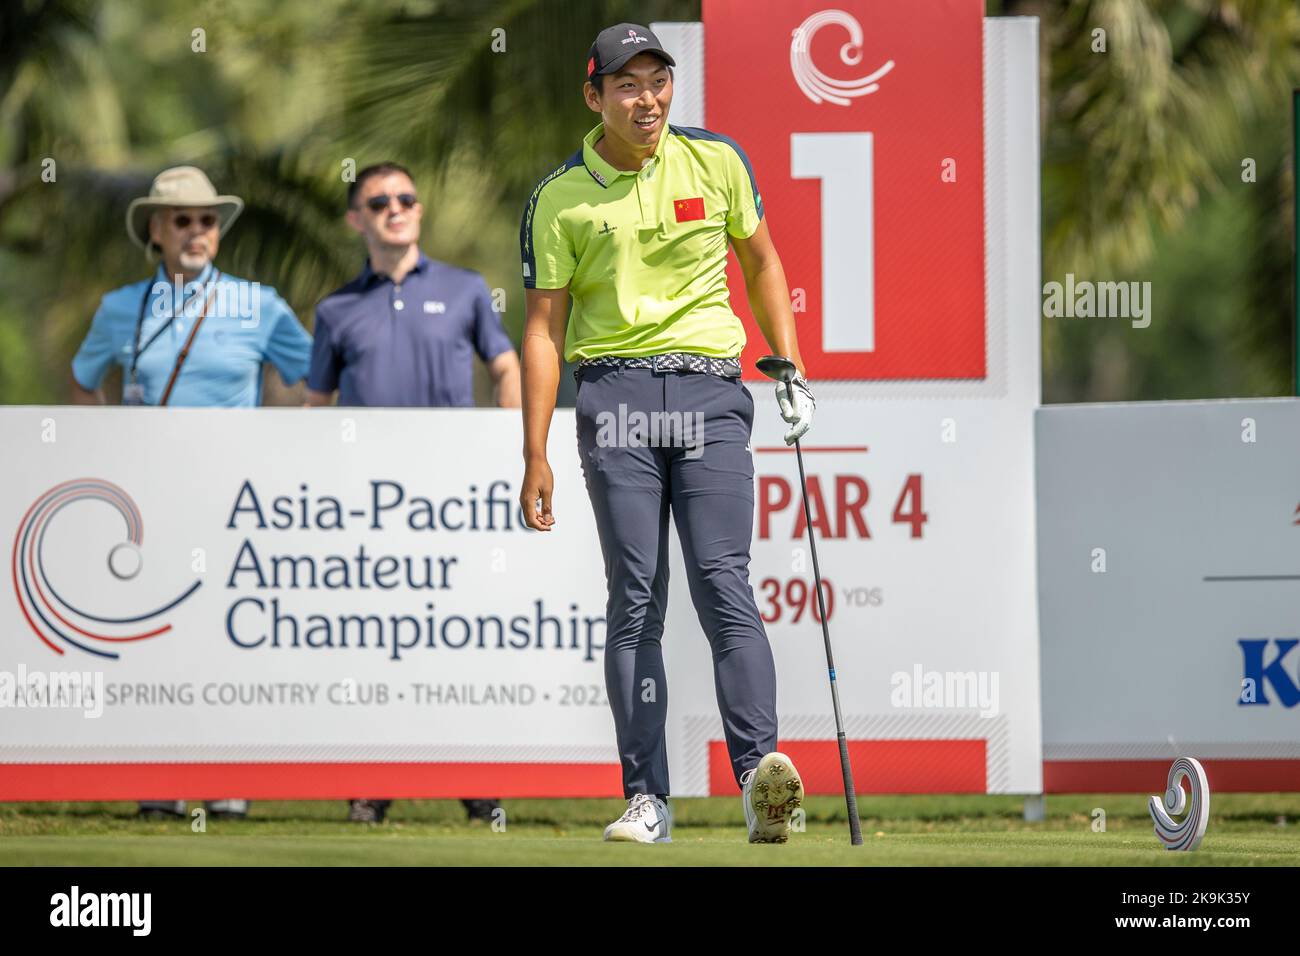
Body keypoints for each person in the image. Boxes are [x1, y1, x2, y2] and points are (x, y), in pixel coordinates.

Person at [518, 24, 816, 844]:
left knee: (725, 582)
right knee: (636, 604)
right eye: (626, 85)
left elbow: (761, 260)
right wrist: (534, 451)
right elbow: (544, 330)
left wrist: (786, 364)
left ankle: (762, 780)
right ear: (594, 96)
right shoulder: (560, 198)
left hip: (711, 391)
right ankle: (647, 799)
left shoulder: (717, 160)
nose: (645, 99)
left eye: (657, 82)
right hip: (614, 395)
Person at [71, 165, 313, 819]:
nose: (198, 231)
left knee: (229, 639)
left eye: (208, 221)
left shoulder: (259, 304)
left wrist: (291, 459)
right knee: (155, 640)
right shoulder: (121, 308)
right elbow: (82, 381)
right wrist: (104, 458)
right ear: (156, 229)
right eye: (183, 220)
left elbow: (314, 379)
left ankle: (227, 783)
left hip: (233, 503)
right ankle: (160, 785)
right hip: (147, 506)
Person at [307, 161, 518, 825]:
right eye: (378, 202)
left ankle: (478, 785)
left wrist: (511, 448)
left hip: (455, 501)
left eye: (405, 197)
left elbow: (506, 367)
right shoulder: (336, 309)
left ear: (418, 210)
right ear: (357, 219)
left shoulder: (465, 290)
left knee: (461, 641)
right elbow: (320, 404)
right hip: (369, 507)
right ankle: (372, 785)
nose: (395, 208)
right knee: (379, 643)